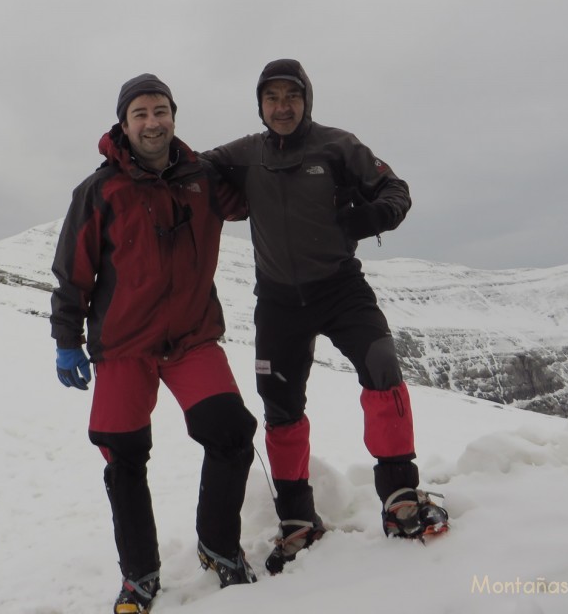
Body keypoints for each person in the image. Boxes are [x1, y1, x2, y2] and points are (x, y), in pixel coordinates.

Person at [201, 58, 448, 574]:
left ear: (306, 99)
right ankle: (297, 520)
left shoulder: (338, 146)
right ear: (261, 105)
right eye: (272, 98)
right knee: (279, 404)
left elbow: (395, 191)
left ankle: (399, 492)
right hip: (278, 302)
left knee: (381, 365)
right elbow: (191, 167)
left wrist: (372, 215)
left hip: (340, 287)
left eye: (292, 96)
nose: (282, 107)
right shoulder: (246, 153)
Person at [51, 73, 259, 614]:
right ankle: (139, 576)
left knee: (232, 433)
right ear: (124, 123)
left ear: (174, 117)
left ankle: (217, 545)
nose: (152, 121)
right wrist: (66, 340)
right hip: (124, 346)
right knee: (123, 459)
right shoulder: (99, 192)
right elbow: (72, 273)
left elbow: (262, 193)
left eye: (161, 110)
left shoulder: (204, 180)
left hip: (191, 339)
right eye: (140, 112)